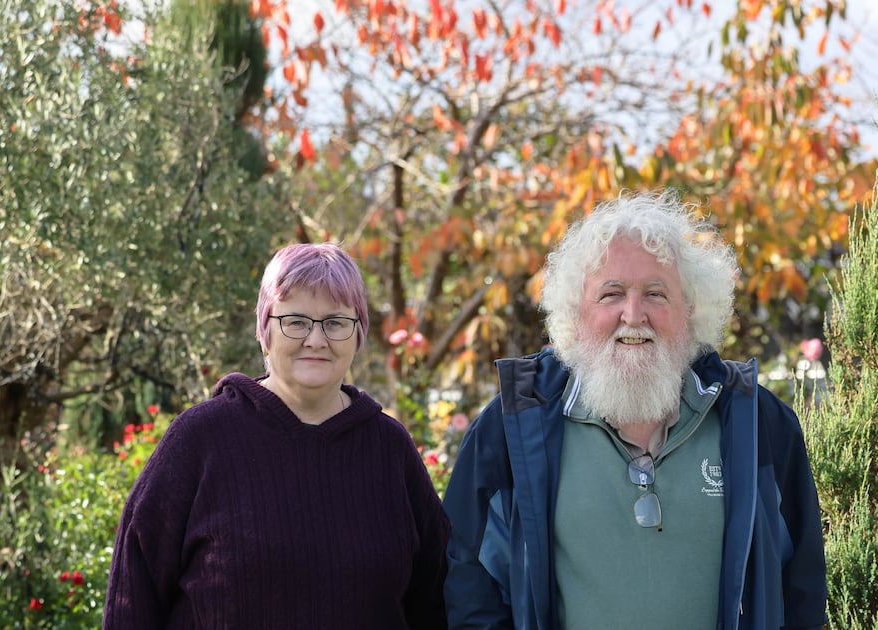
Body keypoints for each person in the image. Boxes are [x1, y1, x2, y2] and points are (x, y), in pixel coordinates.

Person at [442, 190, 827, 629]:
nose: (633, 314)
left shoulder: (758, 423)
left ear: (691, 311)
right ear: (575, 313)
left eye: (656, 294)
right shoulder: (512, 427)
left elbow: (802, 591)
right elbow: (469, 585)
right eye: (611, 294)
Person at [104, 243, 450, 629]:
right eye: (296, 321)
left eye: (335, 322)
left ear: (359, 333)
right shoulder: (200, 440)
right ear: (264, 328)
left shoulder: (390, 451)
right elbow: (133, 600)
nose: (316, 340)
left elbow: (434, 601)